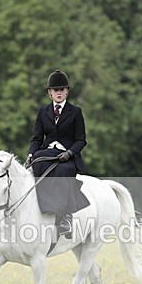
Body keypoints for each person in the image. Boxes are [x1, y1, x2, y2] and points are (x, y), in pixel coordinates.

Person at [27, 70, 88, 238]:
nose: (59, 92)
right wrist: (31, 155)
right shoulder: (42, 112)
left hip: (66, 156)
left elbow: (81, 140)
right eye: (55, 90)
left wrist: (69, 153)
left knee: (62, 171)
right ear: (50, 93)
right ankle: (38, 210)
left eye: (62, 89)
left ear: (67, 91)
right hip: (48, 153)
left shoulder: (75, 112)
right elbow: (36, 139)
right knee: (36, 164)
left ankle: (65, 217)